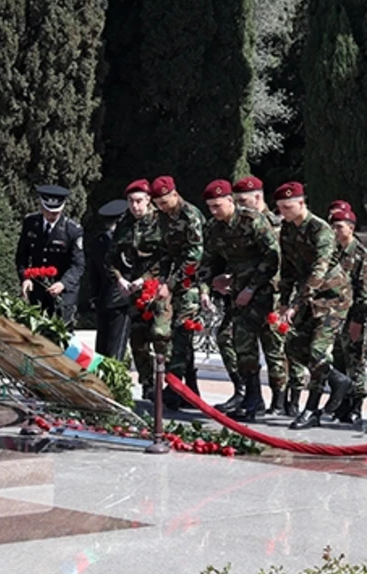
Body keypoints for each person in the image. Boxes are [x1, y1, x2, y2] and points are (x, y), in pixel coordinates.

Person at [197, 179, 280, 422]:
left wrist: (251, 288)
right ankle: (249, 395)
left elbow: (272, 258)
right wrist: (208, 286)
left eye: (218, 206)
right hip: (237, 293)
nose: (214, 211)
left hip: (262, 291)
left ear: (230, 201)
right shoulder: (214, 227)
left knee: (251, 340)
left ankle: (260, 398)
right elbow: (208, 262)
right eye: (210, 207)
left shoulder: (252, 221)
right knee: (236, 340)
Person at [274, 182, 352, 429]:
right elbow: (287, 269)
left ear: (301, 203)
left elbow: (319, 270)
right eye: (280, 208)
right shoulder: (287, 230)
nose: (284, 212)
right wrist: (284, 302)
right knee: (294, 346)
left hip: (333, 296)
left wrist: (296, 304)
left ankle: (312, 409)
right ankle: (337, 379)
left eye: (288, 207)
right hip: (309, 298)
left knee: (319, 351)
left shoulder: (321, 229)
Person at [231, 176, 288, 415]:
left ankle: (280, 400)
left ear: (258, 197)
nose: (241, 206)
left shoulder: (277, 223)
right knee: (245, 345)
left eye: (244, 201)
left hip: (273, 294)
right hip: (249, 294)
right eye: (237, 202)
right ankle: (252, 397)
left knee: (274, 348)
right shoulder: (242, 224)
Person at [106, 180, 169, 397]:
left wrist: (145, 279)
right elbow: (111, 258)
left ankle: (171, 384)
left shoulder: (162, 222)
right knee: (138, 340)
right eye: (131, 201)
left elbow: (167, 257)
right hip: (135, 290)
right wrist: (119, 279)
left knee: (161, 335)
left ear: (148, 200)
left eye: (139, 201)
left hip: (159, 288)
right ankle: (148, 385)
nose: (135, 206)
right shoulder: (124, 224)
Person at [150, 175, 206, 407]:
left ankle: (174, 386)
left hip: (194, 280)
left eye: (164, 202)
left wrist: (170, 284)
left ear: (174, 194)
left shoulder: (190, 215)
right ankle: (190, 390)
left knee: (182, 330)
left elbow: (195, 257)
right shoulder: (164, 218)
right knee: (177, 332)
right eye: (158, 204)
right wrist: (162, 278)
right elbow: (164, 251)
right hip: (175, 280)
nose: (161, 207)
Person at [16, 184, 85, 325]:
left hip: (63, 290)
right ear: (41, 207)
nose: (52, 216)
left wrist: (63, 283)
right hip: (38, 287)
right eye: (48, 211)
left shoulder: (72, 230)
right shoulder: (31, 223)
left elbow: (78, 265)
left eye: (56, 212)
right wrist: (25, 278)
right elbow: (22, 255)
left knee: (62, 333)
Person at [330, 208, 367, 428]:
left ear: (351, 228)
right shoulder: (332, 252)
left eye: (339, 227)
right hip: (333, 315)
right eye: (333, 227)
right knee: (338, 359)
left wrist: (358, 320)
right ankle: (342, 405)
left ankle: (356, 405)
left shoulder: (362, 255)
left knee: (355, 361)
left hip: (352, 317)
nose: (335, 231)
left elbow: (365, 294)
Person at [90, 197, 130, 360]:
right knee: (116, 348)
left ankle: (98, 379)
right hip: (121, 299)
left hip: (103, 298)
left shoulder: (98, 240)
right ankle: (111, 384)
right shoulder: (121, 242)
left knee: (102, 346)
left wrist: (94, 296)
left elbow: (94, 272)